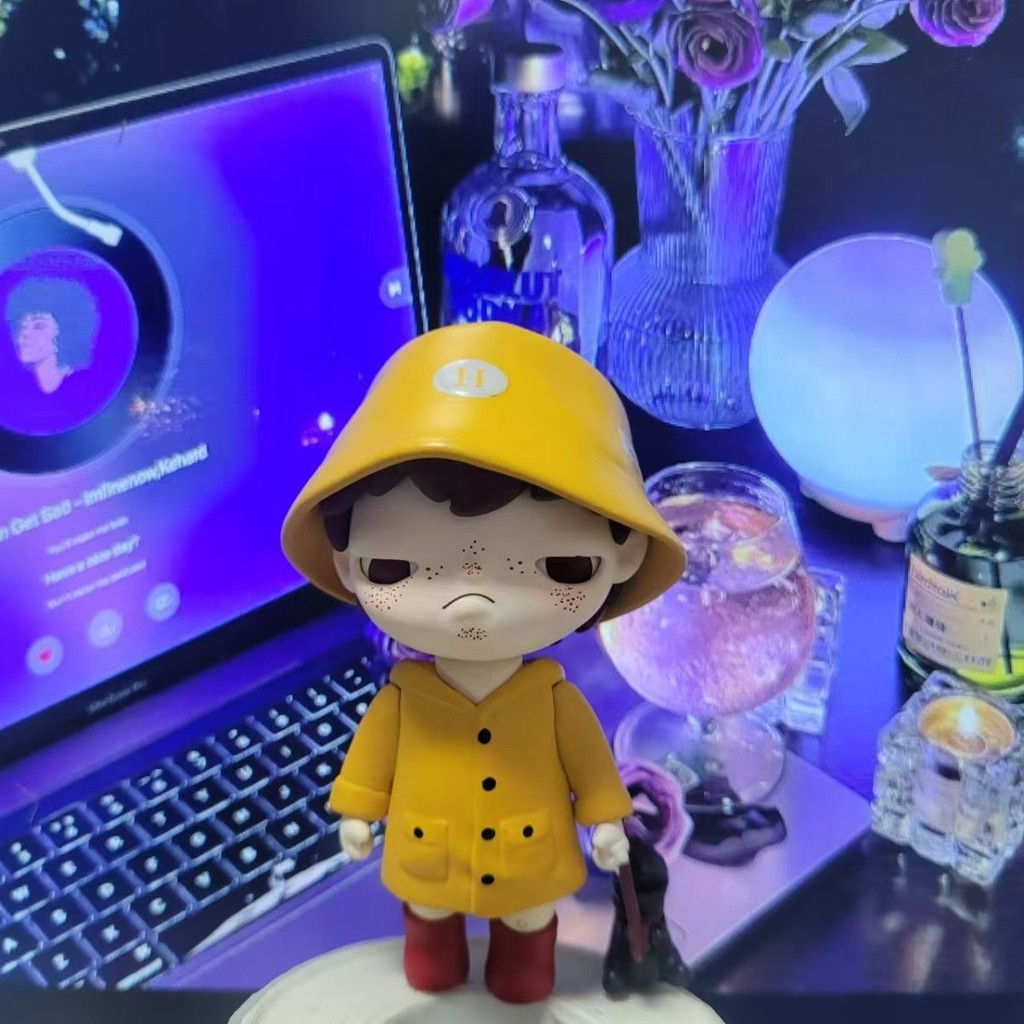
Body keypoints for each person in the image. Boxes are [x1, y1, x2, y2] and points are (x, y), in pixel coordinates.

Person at [281, 322, 686, 1004]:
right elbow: (372, 761)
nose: (471, 604)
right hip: (427, 849)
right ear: (347, 565)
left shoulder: (553, 698)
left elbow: (590, 768)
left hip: (528, 851)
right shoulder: (405, 696)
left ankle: (521, 976)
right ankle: (434, 965)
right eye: (397, 567)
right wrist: (357, 811)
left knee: (527, 931)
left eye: (557, 566)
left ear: (622, 556)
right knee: (429, 934)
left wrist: (606, 822)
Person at [6, 276, 99, 395]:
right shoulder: (15, 390)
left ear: (66, 332)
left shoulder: (86, 390)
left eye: (39, 326)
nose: (24, 334)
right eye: (22, 326)